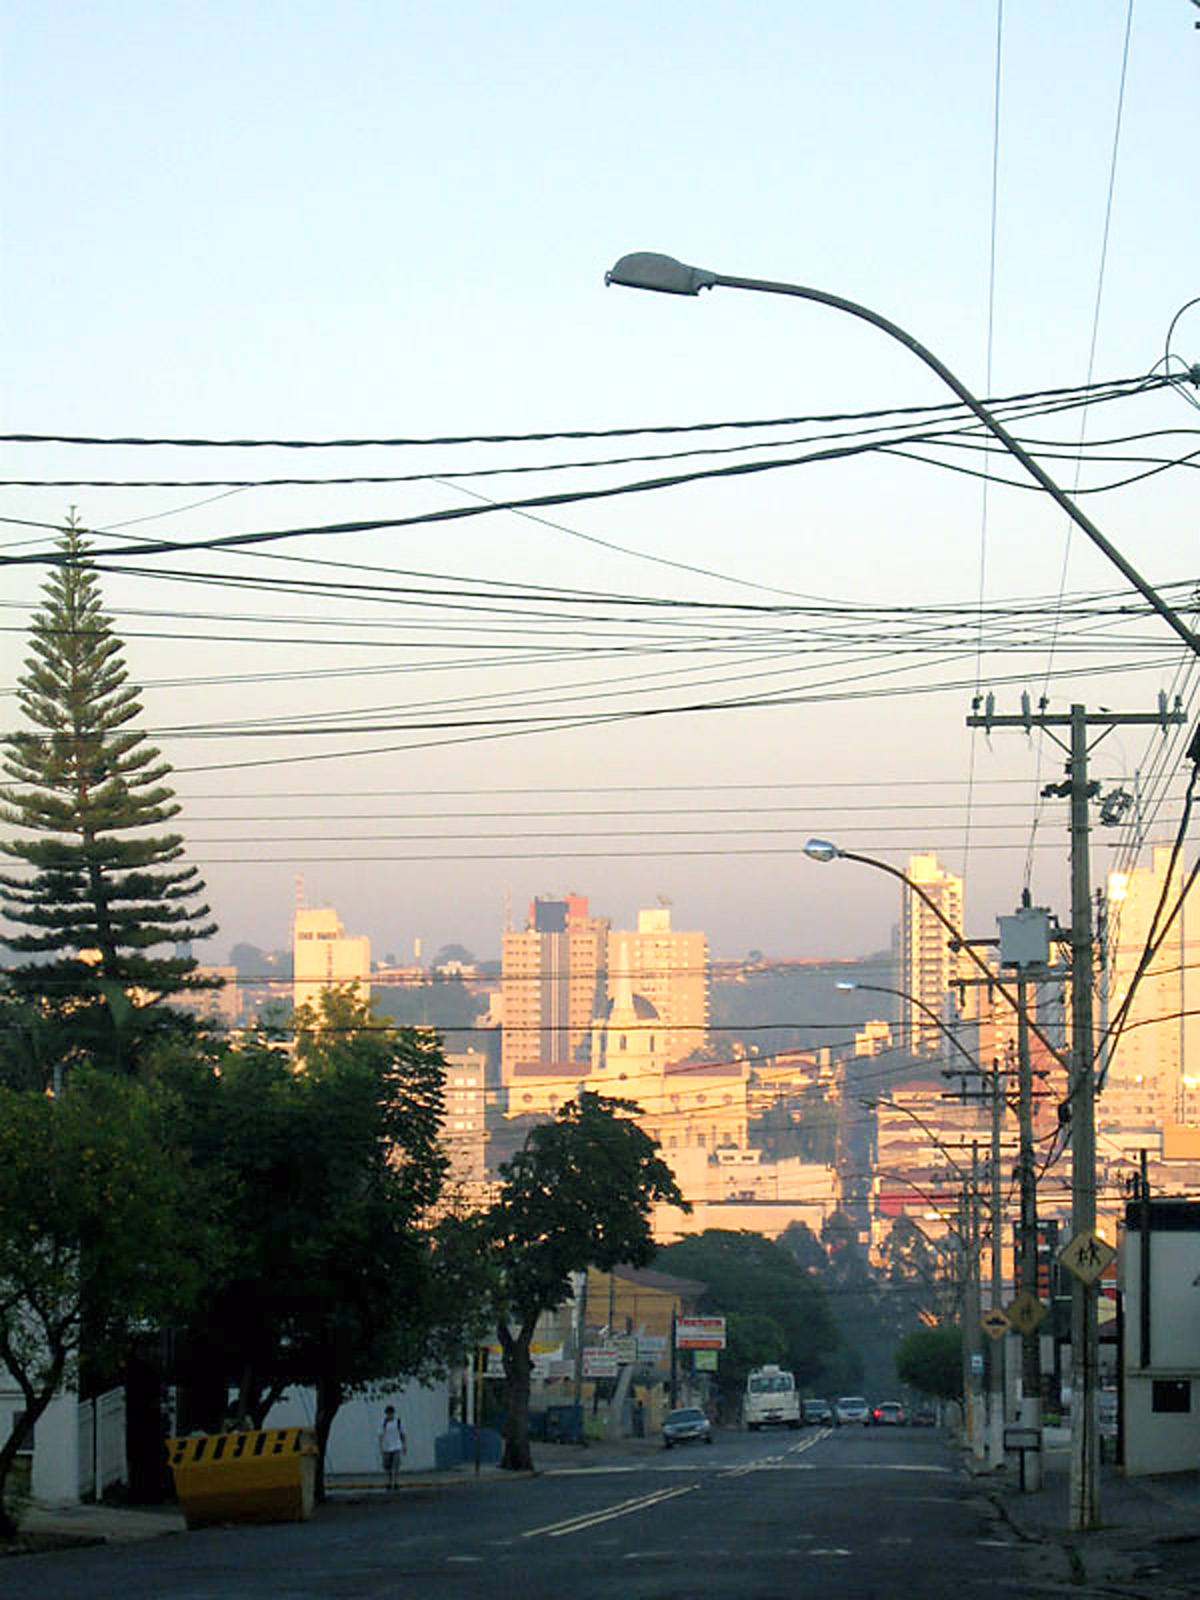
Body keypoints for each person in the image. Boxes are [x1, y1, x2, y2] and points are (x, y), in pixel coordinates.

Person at [379, 1404, 406, 1489]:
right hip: (387, 1447)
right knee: (387, 1467)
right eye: (388, 1413)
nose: (390, 1415)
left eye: (391, 1413)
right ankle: (389, 1482)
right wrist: (381, 1447)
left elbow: (402, 1434)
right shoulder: (383, 1423)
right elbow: (380, 1435)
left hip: (396, 1446)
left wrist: (404, 1445)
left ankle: (396, 1482)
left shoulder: (398, 1422)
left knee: (396, 1466)